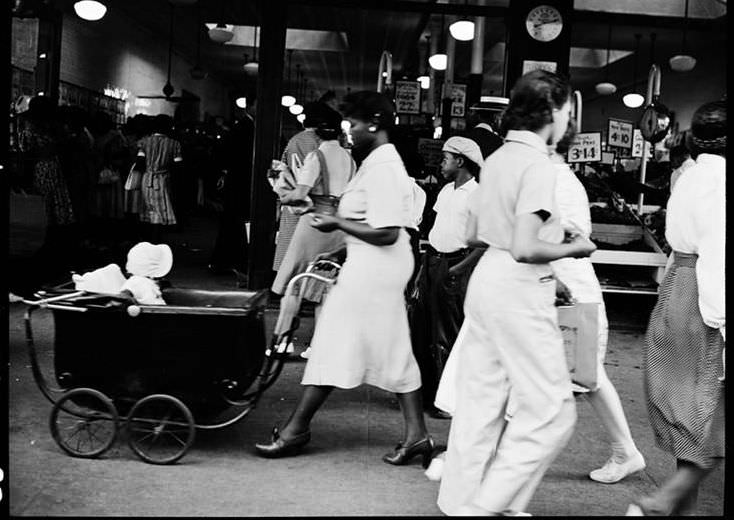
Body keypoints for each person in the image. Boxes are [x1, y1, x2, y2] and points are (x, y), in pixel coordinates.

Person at [436, 70, 597, 516]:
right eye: (566, 111)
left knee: (480, 403)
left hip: (487, 281)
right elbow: (526, 248)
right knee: (552, 411)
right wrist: (574, 246)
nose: (567, 120)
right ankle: (490, 505)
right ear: (553, 112)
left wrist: (546, 229)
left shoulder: (500, 158)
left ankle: (460, 503)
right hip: (520, 289)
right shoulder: (539, 165)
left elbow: (472, 233)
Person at [255, 91, 433, 467]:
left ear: (375, 123)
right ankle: (417, 435)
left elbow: (387, 231)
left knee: (335, 338)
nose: (346, 130)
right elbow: (370, 222)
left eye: (352, 122)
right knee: (388, 345)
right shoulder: (375, 162)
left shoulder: (384, 167)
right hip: (373, 263)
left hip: (376, 266)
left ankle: (296, 430)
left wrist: (337, 223)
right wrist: (339, 243)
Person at [626, 101, 725, 517]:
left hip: (677, 287)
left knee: (687, 414)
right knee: (711, 417)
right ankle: (663, 503)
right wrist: (722, 322)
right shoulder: (723, 183)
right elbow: (719, 255)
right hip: (706, 296)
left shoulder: (689, 176)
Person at [550, 122, 646, 484]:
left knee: (582, 378)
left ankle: (626, 451)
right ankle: (626, 451)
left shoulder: (556, 180)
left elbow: (573, 234)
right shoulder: (555, 177)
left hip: (569, 292)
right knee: (588, 377)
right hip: (564, 290)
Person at [271, 101, 356, 359]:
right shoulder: (350, 159)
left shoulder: (316, 156)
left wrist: (282, 193)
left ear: (317, 132)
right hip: (339, 225)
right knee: (325, 285)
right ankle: (318, 346)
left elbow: (300, 194)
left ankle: (282, 342)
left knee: (293, 282)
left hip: (314, 223)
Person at [409, 136, 485, 419]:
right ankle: (427, 392)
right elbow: (439, 229)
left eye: (444, 158)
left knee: (447, 332)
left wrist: (459, 270)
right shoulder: (445, 191)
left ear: (460, 161)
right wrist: (422, 270)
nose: (440, 163)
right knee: (424, 328)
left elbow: (483, 242)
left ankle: (448, 400)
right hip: (434, 261)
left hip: (456, 264)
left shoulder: (478, 195)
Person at [272, 105, 322, 276]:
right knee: (306, 251)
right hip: (312, 199)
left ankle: (283, 283)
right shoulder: (319, 141)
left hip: (293, 199)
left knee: (289, 246)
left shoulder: (295, 139)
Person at [209, 106, 255, 276]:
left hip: (236, 182)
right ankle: (230, 261)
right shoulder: (243, 127)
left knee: (232, 223)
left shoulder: (243, 126)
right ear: (252, 106)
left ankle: (225, 261)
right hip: (239, 182)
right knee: (235, 222)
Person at [135, 114, 183, 243]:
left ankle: (148, 239)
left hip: (147, 179)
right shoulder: (174, 144)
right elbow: (178, 165)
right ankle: (158, 240)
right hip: (164, 180)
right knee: (162, 209)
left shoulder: (143, 142)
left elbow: (139, 162)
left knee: (148, 209)